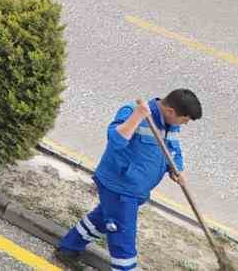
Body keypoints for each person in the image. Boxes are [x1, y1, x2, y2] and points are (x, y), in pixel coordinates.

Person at [54, 90, 203, 270]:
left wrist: (176, 168)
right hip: (119, 187)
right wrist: (137, 116)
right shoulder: (132, 111)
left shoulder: (171, 124)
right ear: (171, 111)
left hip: (137, 189)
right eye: (184, 119)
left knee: (103, 218)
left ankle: (69, 248)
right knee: (122, 235)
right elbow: (115, 140)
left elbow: (173, 148)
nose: (184, 124)